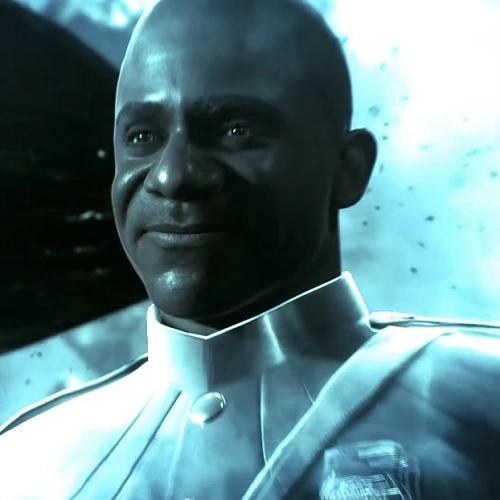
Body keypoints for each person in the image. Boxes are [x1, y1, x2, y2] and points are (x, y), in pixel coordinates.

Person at [1, 0, 499, 499]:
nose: (173, 176)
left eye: (235, 131)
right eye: (143, 136)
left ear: (348, 169)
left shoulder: (484, 403)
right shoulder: (28, 462)